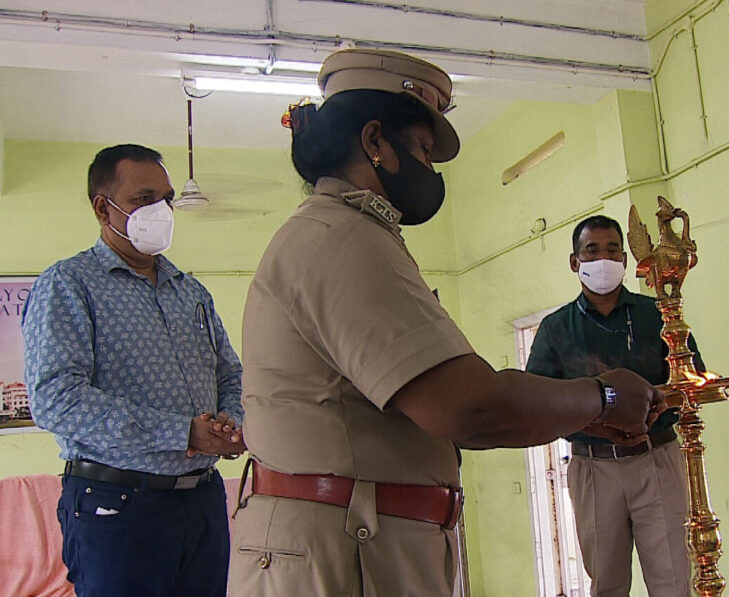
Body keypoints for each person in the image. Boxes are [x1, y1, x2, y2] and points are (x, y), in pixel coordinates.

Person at [228, 48, 664, 596]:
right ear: (374, 142)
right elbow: (468, 407)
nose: (431, 171)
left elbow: (437, 412)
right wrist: (601, 398)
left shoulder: (350, 234)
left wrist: (569, 410)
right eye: (425, 151)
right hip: (341, 552)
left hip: (357, 540)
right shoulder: (343, 238)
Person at [21, 144, 246, 596]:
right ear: (104, 208)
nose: (160, 211)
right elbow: (55, 399)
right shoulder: (69, 284)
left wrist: (231, 422)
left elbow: (229, 372)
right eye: (145, 200)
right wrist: (179, 432)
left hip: (201, 500)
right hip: (118, 505)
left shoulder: (190, 291)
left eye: (166, 198)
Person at [525, 215, 700, 597]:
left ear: (624, 258)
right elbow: (536, 400)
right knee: (607, 583)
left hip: (657, 457)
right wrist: (592, 418)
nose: (603, 258)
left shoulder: (657, 313)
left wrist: (657, 402)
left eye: (612, 250)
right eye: (592, 250)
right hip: (593, 466)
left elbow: (692, 377)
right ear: (575, 262)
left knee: (673, 580)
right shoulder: (556, 328)